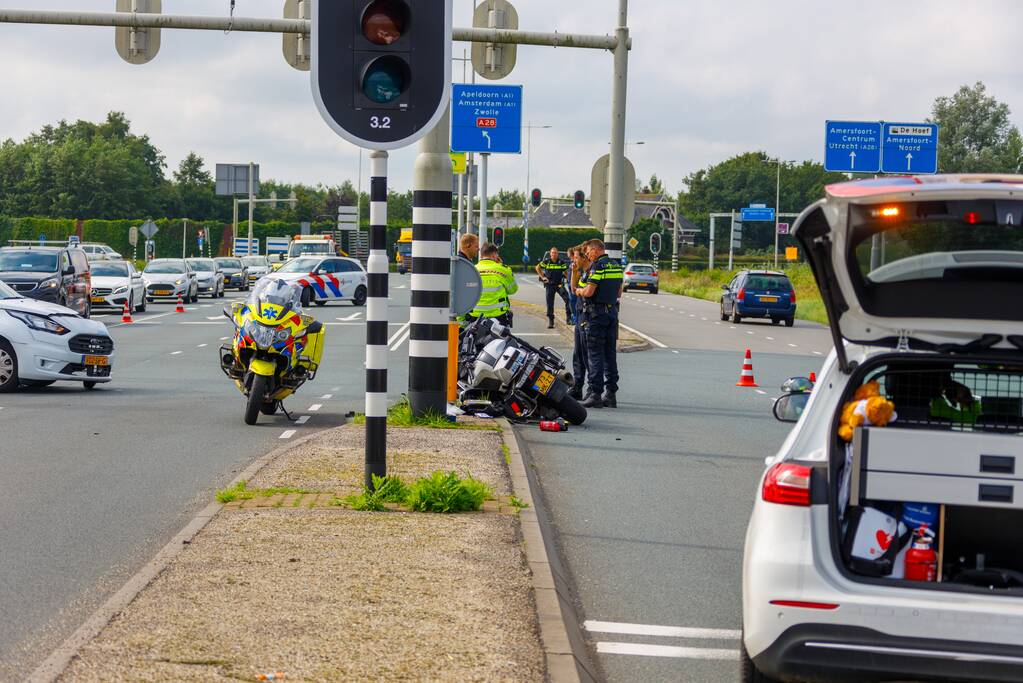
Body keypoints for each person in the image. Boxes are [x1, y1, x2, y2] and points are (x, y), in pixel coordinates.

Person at [576, 239, 623, 408]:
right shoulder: (616, 266)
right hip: (611, 313)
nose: (588, 255)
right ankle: (610, 393)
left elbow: (589, 291)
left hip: (596, 315)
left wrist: (579, 291)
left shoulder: (598, 267)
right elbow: (619, 292)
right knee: (610, 354)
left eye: (588, 251)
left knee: (594, 354)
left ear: (596, 250)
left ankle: (595, 393)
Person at [468, 242, 518, 327]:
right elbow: (513, 290)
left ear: (481, 255)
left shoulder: (472, 270)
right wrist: (501, 266)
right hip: (498, 316)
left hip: (475, 316)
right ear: (494, 254)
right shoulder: (503, 269)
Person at [569, 246, 591, 401]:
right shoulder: (580, 272)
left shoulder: (590, 273)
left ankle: (592, 388)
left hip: (587, 316)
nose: (574, 260)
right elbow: (573, 289)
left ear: (584, 258)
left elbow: (580, 291)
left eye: (576, 257)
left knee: (586, 354)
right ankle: (577, 387)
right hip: (579, 314)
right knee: (578, 354)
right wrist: (574, 271)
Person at [535, 247, 571, 329]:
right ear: (550, 254)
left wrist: (569, 280)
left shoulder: (561, 262)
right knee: (550, 303)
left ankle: (568, 318)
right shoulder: (547, 262)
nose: (554, 254)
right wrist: (542, 277)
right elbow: (537, 267)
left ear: (557, 254)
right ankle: (551, 321)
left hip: (559, 285)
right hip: (550, 285)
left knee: (568, 299)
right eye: (552, 253)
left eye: (555, 253)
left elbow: (565, 272)